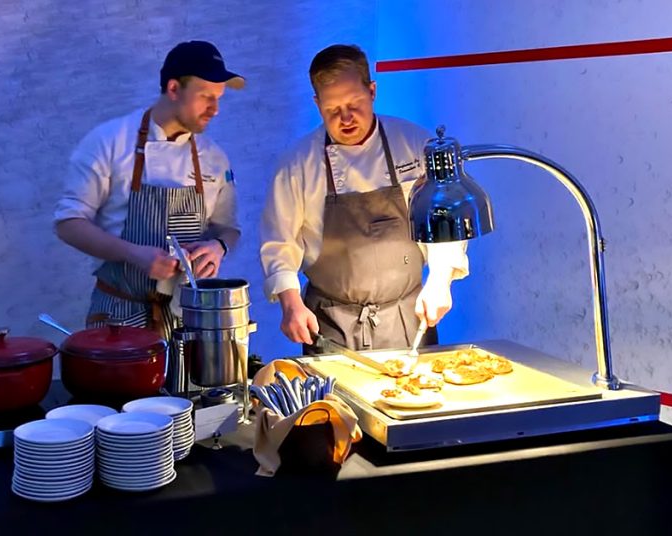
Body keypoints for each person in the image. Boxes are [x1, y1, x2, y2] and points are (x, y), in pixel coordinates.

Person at [259, 44, 469, 353]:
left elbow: (445, 221)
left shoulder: (414, 145)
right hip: (329, 325)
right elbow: (279, 243)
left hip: (408, 318)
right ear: (317, 104)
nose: (345, 118)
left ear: (372, 91)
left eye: (354, 104)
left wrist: (440, 280)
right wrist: (290, 302)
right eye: (332, 110)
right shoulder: (297, 164)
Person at [54, 40, 244, 338]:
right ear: (173, 88)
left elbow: (228, 229)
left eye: (219, 98)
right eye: (206, 96)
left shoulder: (214, 158)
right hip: (119, 318)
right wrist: (133, 254)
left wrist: (218, 247)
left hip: (188, 321)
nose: (215, 110)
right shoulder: (109, 141)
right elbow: (68, 224)